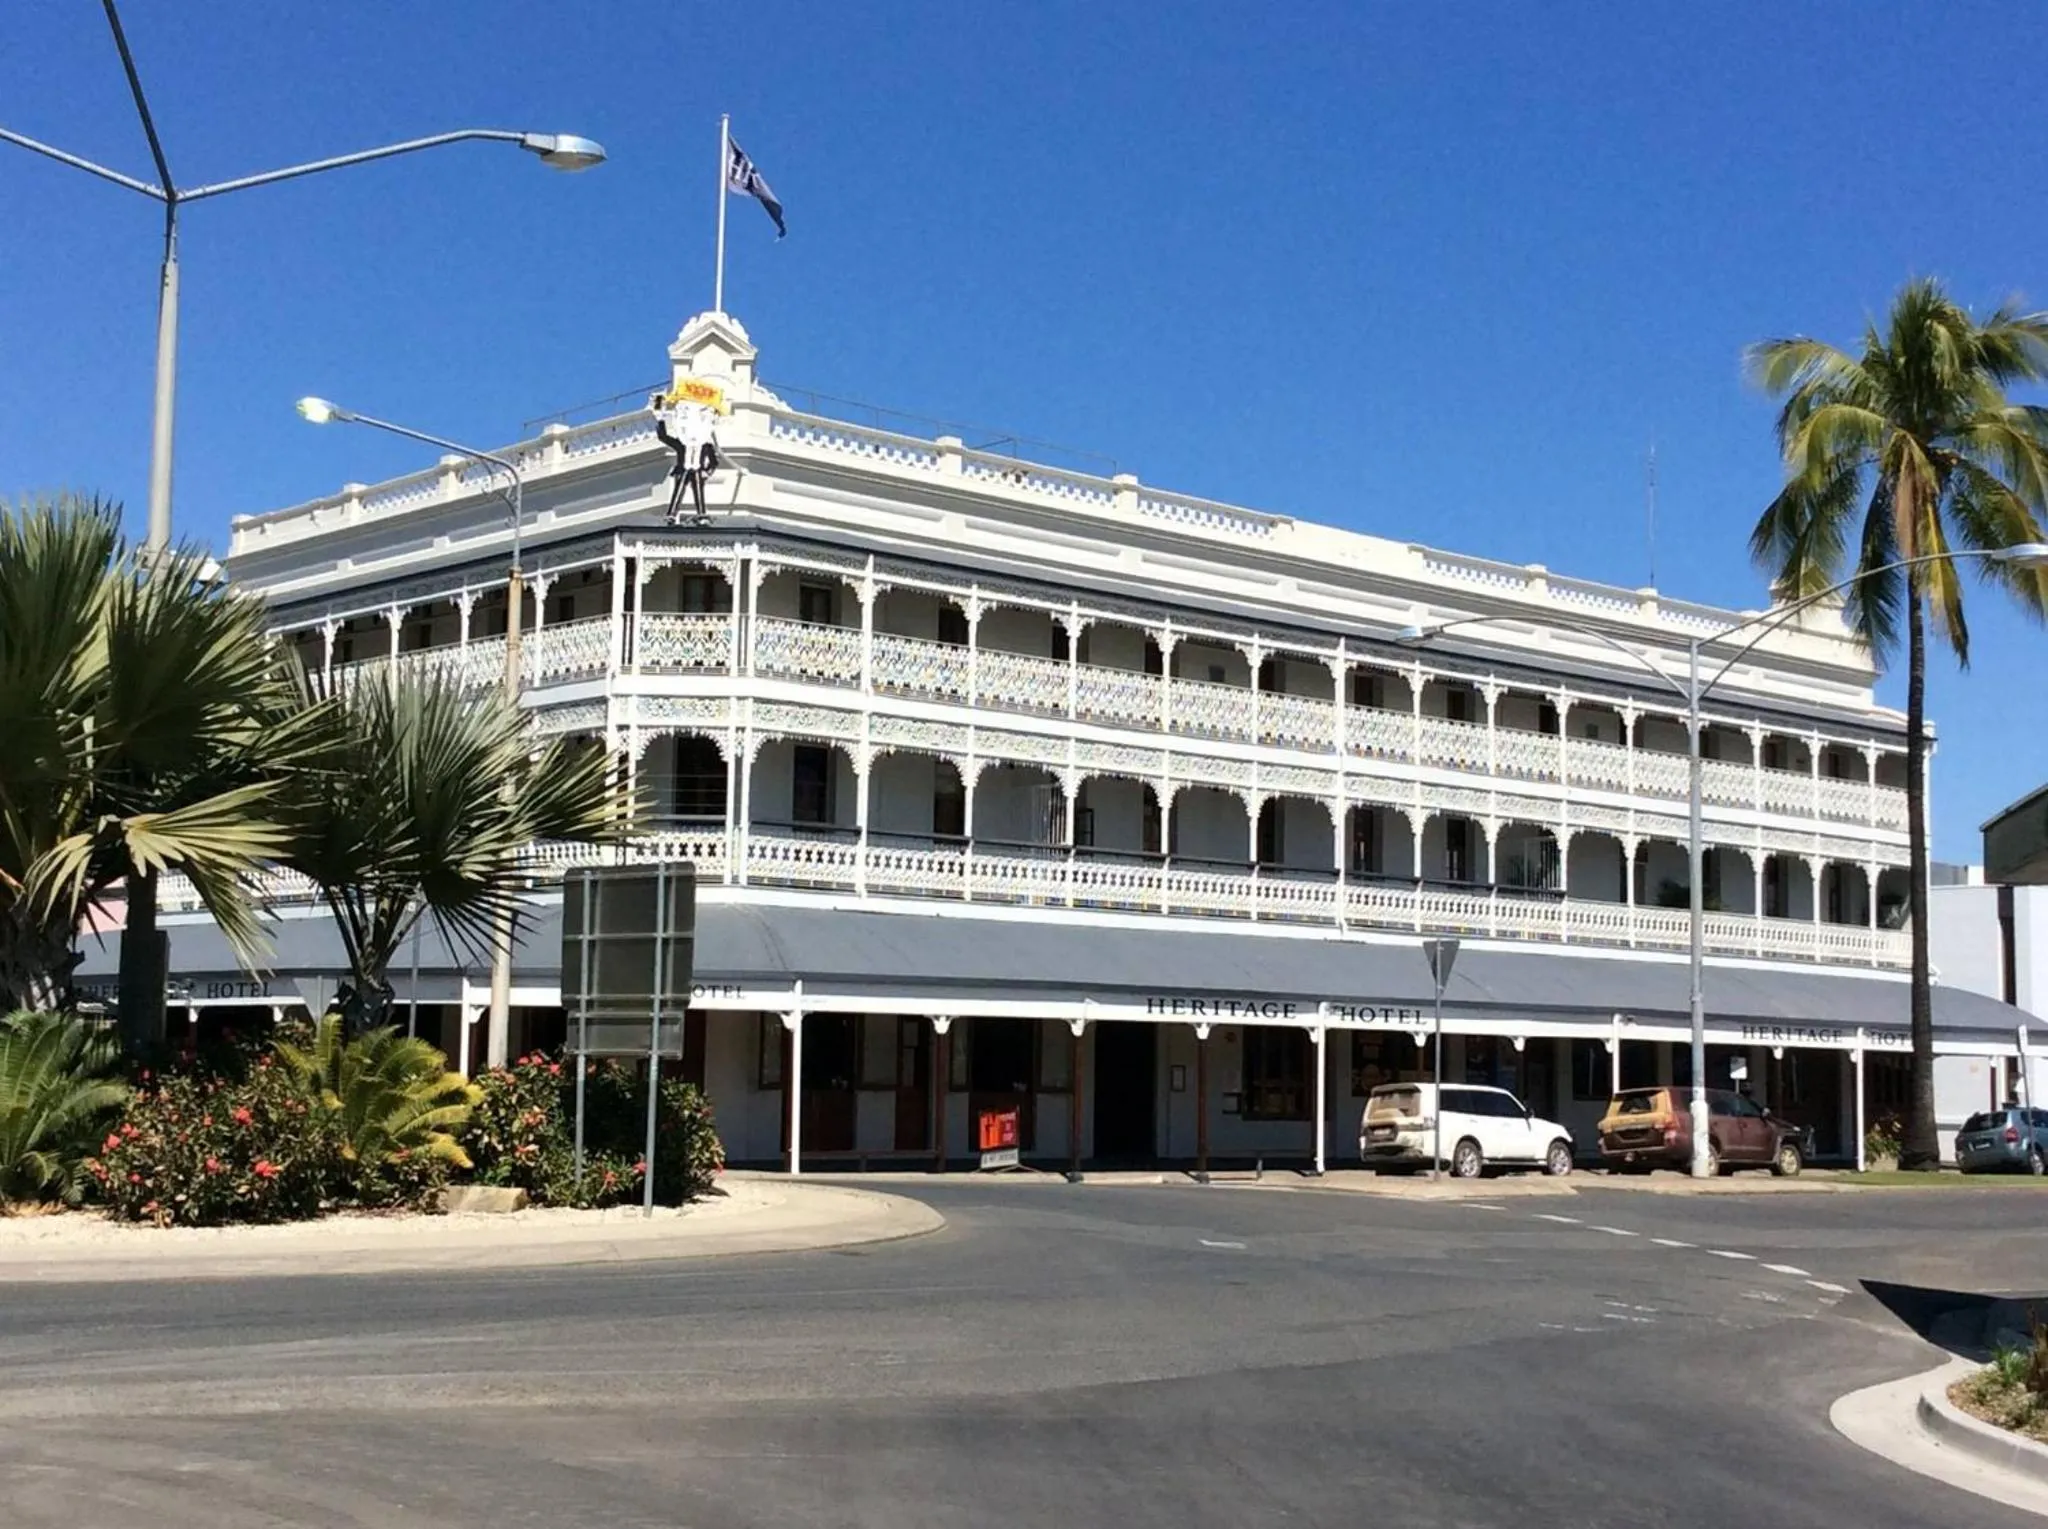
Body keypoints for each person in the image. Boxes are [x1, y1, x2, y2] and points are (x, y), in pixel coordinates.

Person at [650, 391, 721, 523]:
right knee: (679, 487)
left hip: (697, 470)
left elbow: (714, 461)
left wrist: (707, 471)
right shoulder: (682, 444)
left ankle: (701, 513)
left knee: (698, 488)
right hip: (684, 469)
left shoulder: (705, 444)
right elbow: (663, 437)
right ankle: (672, 513)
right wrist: (660, 419)